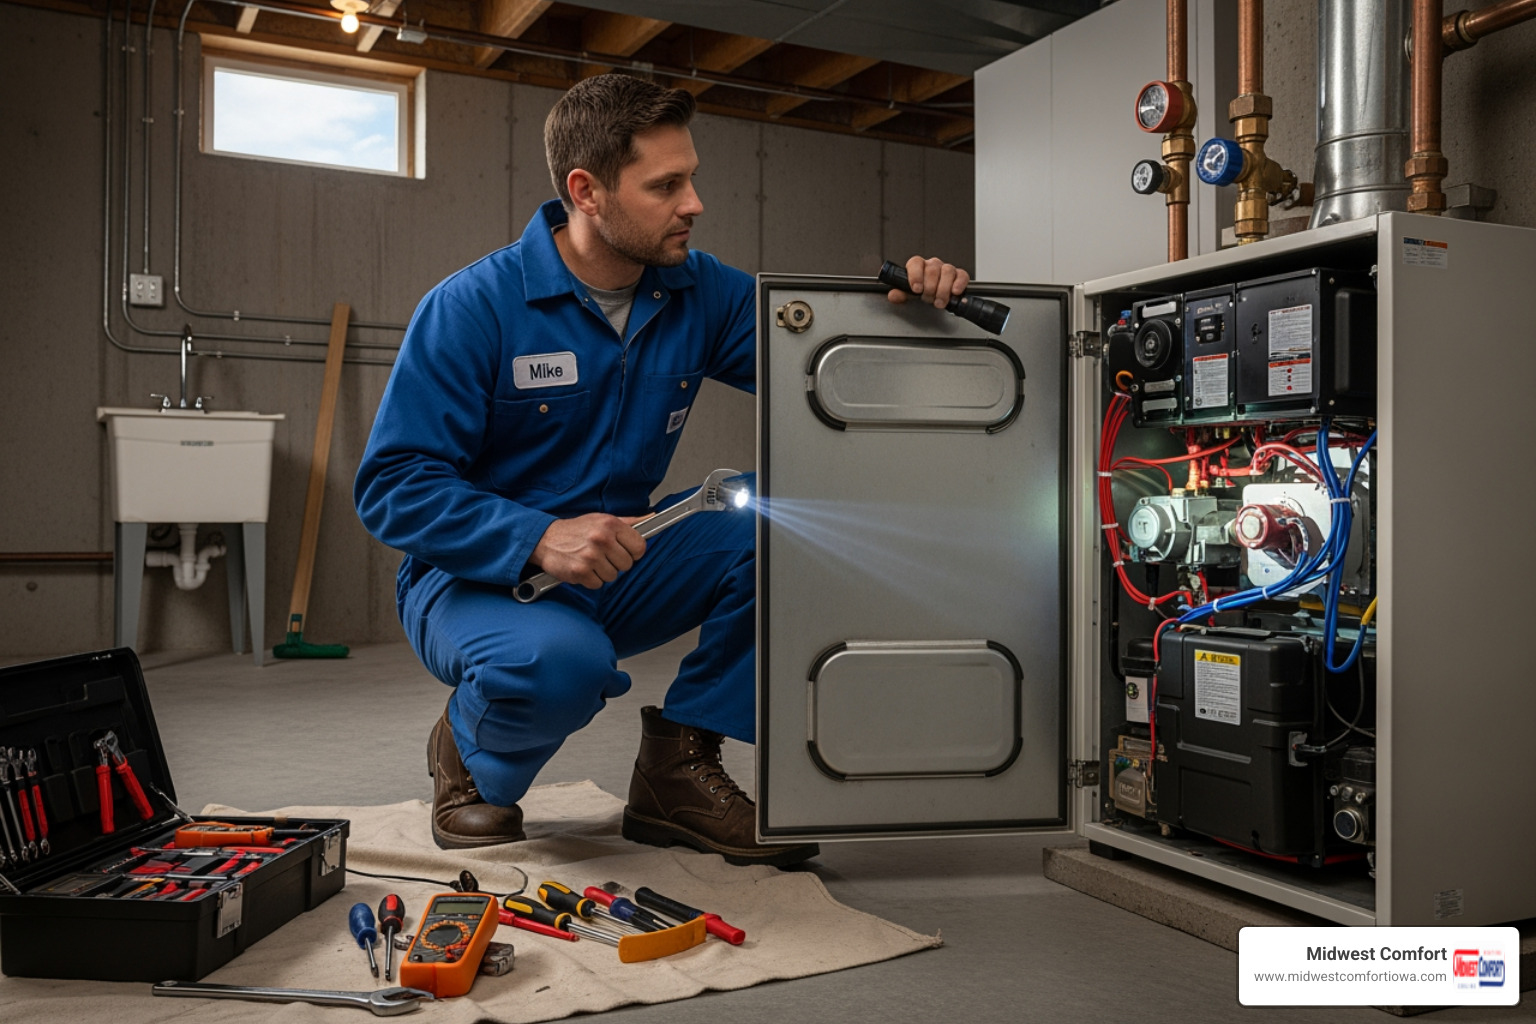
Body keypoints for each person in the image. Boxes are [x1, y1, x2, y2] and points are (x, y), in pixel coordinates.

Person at [354, 73, 972, 866]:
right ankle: (467, 754)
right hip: (474, 578)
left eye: (693, 178)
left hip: (625, 554)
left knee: (788, 522)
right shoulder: (473, 307)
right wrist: (539, 536)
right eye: (666, 185)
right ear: (588, 191)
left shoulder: (698, 291)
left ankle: (676, 765)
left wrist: (914, 310)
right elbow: (393, 484)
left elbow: (825, 364)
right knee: (557, 664)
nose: (694, 204)